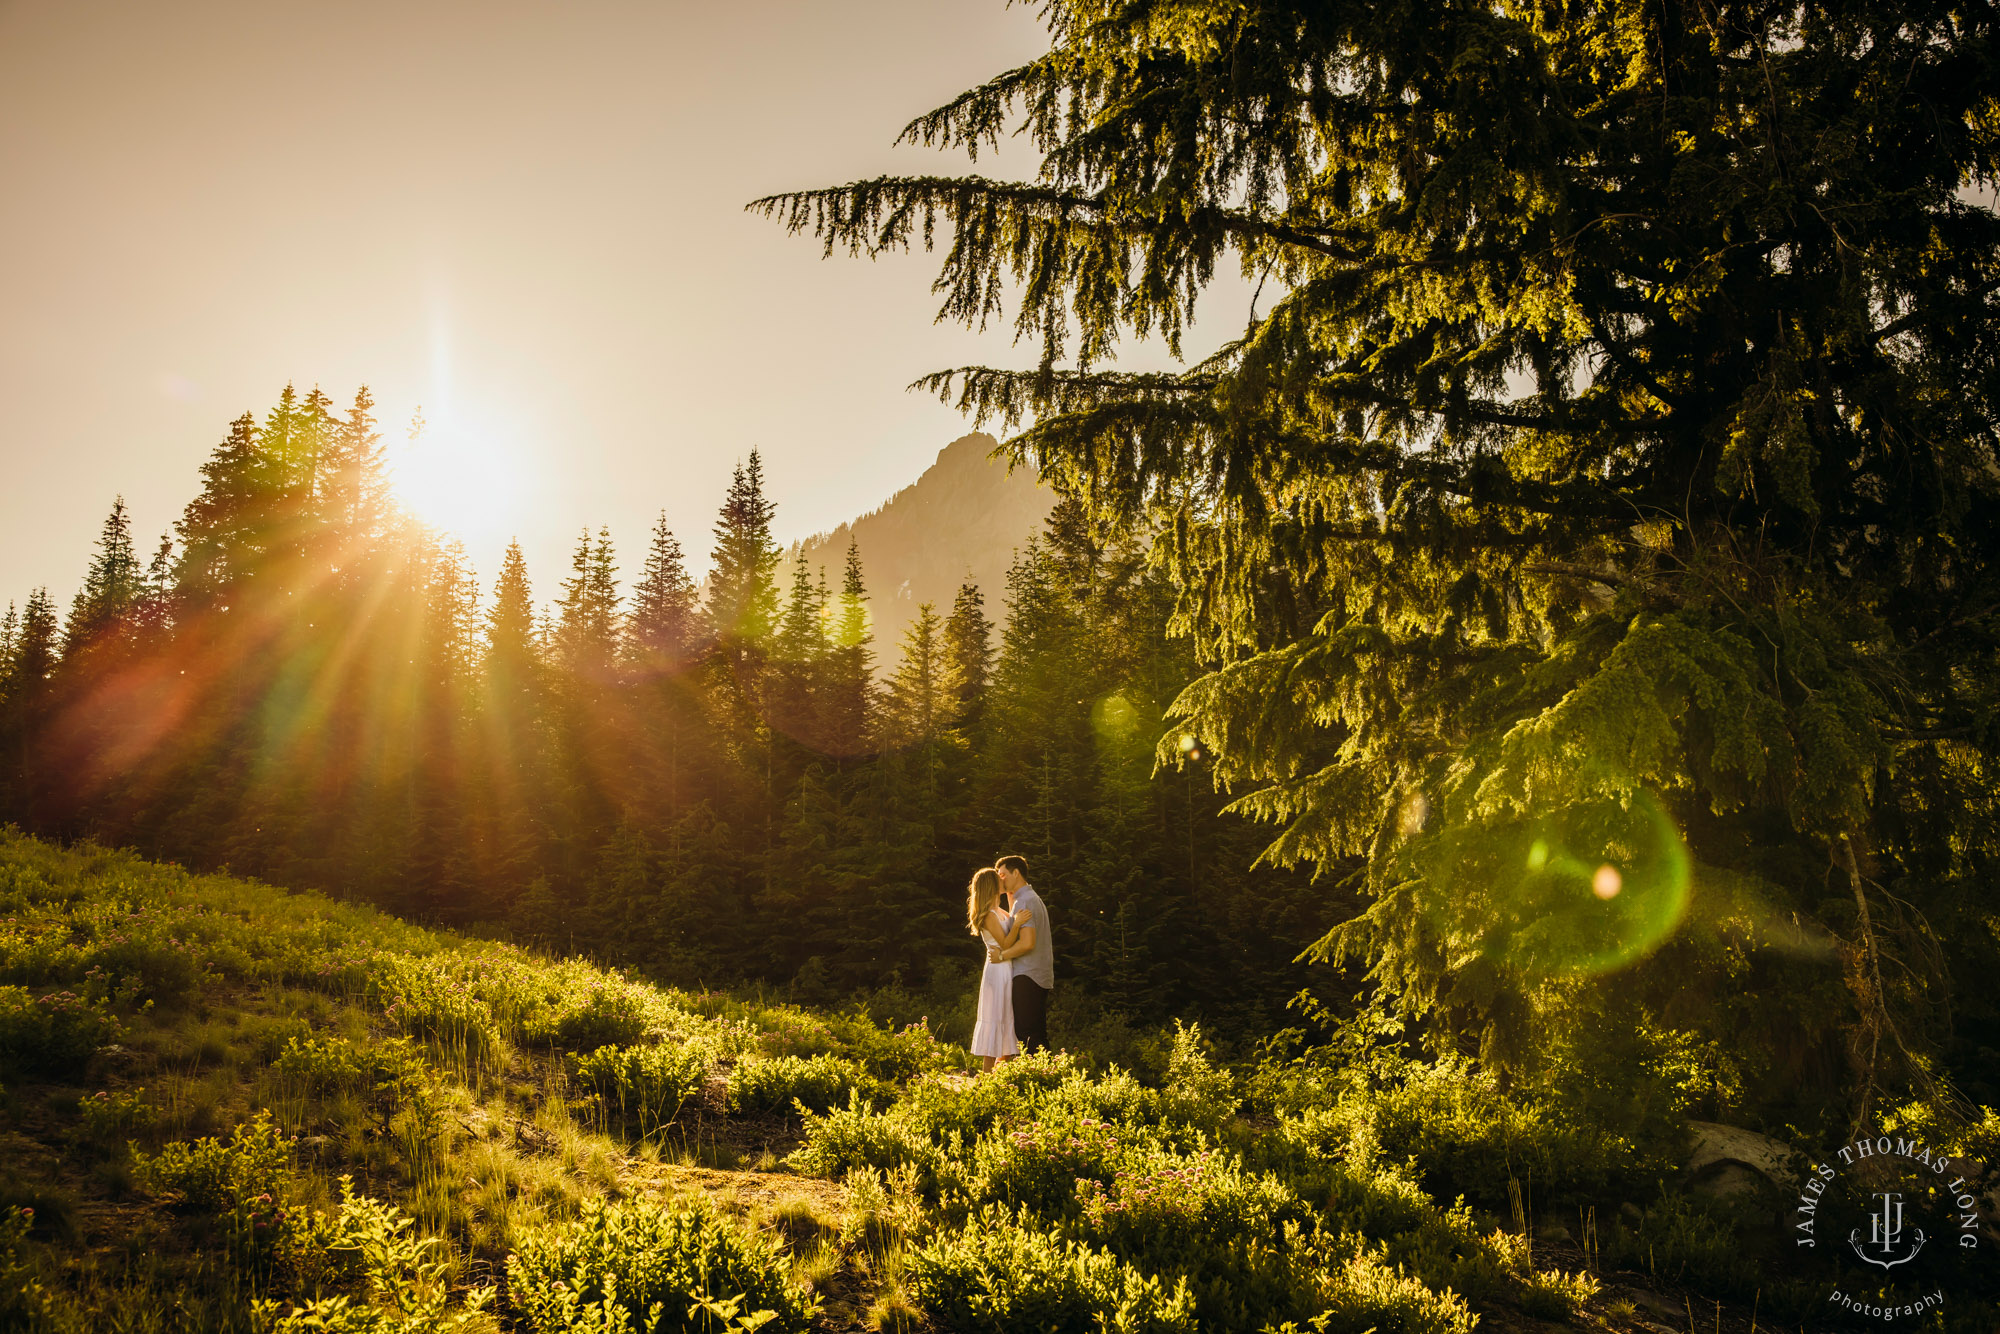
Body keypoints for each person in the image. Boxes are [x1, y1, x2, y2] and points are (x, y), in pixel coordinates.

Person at [986, 854, 1052, 1054]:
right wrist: (1008, 893)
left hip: (1028, 974)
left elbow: (1027, 943)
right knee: (1035, 1031)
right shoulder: (1028, 898)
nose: (1000, 879)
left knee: (1027, 1032)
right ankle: (1046, 1078)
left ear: (1016, 873)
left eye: (1003, 874)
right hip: (1037, 973)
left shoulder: (1024, 902)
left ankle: (1037, 1079)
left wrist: (1001, 956)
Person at [965, 867, 1024, 1072]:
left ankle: (1003, 1073)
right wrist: (1018, 924)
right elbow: (1006, 943)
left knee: (1007, 1016)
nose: (1002, 881)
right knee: (996, 1016)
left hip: (1005, 967)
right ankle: (986, 1075)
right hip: (997, 971)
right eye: (998, 879)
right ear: (991, 885)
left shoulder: (999, 911)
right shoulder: (989, 915)